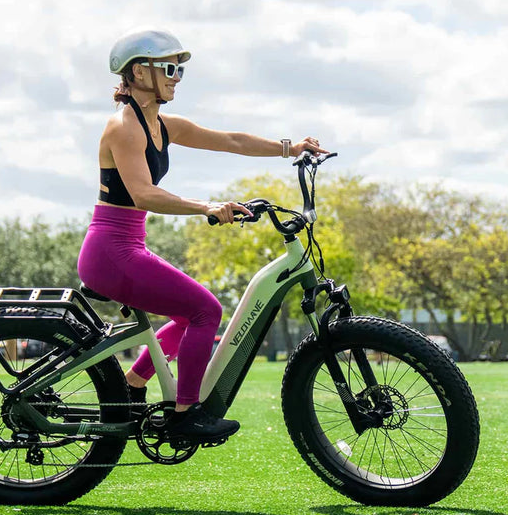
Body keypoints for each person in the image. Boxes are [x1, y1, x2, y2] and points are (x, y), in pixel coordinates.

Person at [77, 28, 327, 444]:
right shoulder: (125, 127)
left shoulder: (160, 124)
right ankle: (185, 415)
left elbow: (229, 140)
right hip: (110, 251)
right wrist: (207, 206)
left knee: (189, 313)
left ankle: (133, 385)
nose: (177, 77)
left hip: (126, 246)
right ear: (139, 72)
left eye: (180, 70)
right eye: (170, 68)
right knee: (204, 311)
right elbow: (144, 193)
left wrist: (290, 147)